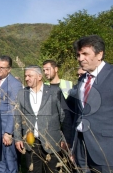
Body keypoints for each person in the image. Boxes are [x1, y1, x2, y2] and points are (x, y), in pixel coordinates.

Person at [65, 35, 113, 172]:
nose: (80, 59)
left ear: (99, 54)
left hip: (106, 149)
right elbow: (79, 114)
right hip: (81, 147)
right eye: (78, 55)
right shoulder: (82, 80)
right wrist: (74, 146)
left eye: (85, 54)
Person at [14, 66, 69, 173]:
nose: (26, 78)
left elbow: (64, 116)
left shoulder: (55, 91)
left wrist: (66, 139)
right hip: (31, 143)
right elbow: (17, 116)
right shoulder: (22, 93)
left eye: (30, 76)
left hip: (52, 142)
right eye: (25, 76)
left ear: (40, 76)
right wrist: (17, 138)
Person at [0, 55, 22, 173]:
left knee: (10, 163)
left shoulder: (14, 84)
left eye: (2, 68)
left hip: (6, 131)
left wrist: (8, 132)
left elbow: (14, 109)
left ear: (9, 69)